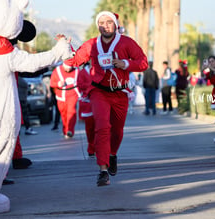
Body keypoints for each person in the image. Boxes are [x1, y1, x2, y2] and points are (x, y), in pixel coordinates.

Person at [69, 10, 148, 186]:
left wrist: (125, 63)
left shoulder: (126, 42)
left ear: (115, 25)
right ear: (98, 26)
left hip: (120, 92)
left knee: (117, 131)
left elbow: (143, 62)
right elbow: (74, 60)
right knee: (102, 127)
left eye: (108, 22)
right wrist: (64, 48)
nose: (105, 26)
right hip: (99, 92)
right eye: (102, 23)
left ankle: (112, 155)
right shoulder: (91, 44)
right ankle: (103, 170)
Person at [50, 59, 81, 138]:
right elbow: (52, 83)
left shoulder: (77, 71)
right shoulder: (57, 71)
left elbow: (82, 81)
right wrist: (58, 83)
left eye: (70, 67)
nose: (68, 69)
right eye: (67, 67)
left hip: (72, 94)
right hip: (61, 96)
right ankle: (65, 130)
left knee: (71, 111)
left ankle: (70, 130)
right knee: (63, 114)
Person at [77, 63, 95, 157]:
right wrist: (91, 86)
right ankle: (91, 147)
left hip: (99, 101)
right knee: (90, 128)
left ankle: (99, 147)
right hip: (87, 102)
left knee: (100, 127)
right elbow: (79, 84)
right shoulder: (82, 72)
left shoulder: (100, 69)